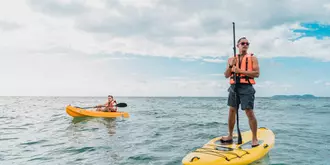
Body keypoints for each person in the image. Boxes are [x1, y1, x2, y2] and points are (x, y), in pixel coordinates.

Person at [222, 37, 260, 147]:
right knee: (232, 111)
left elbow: (257, 74)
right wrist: (230, 66)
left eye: (247, 43)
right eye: (243, 43)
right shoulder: (231, 59)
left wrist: (240, 71)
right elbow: (226, 75)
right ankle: (230, 135)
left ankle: (254, 138)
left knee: (249, 112)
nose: (245, 45)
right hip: (234, 87)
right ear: (238, 45)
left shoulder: (253, 58)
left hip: (246, 87)